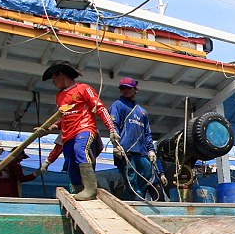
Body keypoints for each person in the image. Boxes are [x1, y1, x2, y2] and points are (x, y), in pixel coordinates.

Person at [40, 61, 123, 201]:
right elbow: (63, 118)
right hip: (67, 136)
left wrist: (112, 128)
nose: (53, 82)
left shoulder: (84, 89)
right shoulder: (59, 97)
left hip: (84, 129)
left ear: (60, 75)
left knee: (81, 150)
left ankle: (90, 188)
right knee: (71, 163)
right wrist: (51, 127)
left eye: (53, 78)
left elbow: (100, 108)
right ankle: (79, 190)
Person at [109, 77, 168, 200]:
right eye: (123, 88)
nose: (125, 91)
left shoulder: (142, 112)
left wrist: (151, 150)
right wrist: (116, 144)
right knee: (132, 186)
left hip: (142, 154)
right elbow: (113, 126)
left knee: (149, 181)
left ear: (135, 90)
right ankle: (135, 213)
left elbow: (147, 133)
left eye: (128, 88)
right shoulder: (118, 105)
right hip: (125, 153)